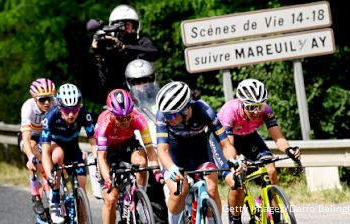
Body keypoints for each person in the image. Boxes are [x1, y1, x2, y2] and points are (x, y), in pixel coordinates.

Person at [155, 81, 244, 224]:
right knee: (179, 191)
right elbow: (162, 150)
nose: (166, 119)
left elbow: (225, 144)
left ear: (184, 110)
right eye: (165, 115)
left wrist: (233, 160)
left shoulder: (204, 111)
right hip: (174, 153)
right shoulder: (162, 116)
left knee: (212, 189)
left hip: (200, 150)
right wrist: (171, 168)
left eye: (171, 116)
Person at [217, 78, 302, 223]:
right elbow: (228, 146)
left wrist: (289, 149)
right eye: (251, 107)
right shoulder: (229, 112)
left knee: (271, 170)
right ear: (242, 103)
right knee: (237, 181)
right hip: (226, 142)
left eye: (259, 106)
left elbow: (278, 137)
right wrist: (237, 162)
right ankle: (235, 219)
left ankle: (275, 216)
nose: (256, 112)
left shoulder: (266, 110)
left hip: (249, 137)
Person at [94, 89, 160, 224]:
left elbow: (150, 150)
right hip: (109, 150)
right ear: (112, 114)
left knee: (141, 162)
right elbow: (101, 157)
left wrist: (157, 171)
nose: (124, 121)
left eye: (127, 117)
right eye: (120, 118)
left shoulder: (138, 118)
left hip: (128, 145)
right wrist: (107, 179)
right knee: (111, 198)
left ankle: (139, 197)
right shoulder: (104, 123)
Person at [40, 83, 97, 224]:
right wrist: (48, 175)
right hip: (54, 146)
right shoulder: (51, 117)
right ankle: (55, 199)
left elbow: (94, 142)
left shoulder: (85, 115)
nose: (71, 114)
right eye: (66, 110)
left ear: (80, 106)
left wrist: (98, 160)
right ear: (59, 107)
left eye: (75, 109)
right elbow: (46, 152)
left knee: (82, 185)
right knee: (58, 154)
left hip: (73, 148)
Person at [124, 59, 168, 223]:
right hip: (142, 152)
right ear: (129, 82)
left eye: (146, 80)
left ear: (153, 78)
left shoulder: (162, 99)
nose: (142, 85)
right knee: (154, 200)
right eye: (136, 82)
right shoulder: (128, 103)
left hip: (164, 148)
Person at [89, 4, 158, 98]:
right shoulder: (109, 47)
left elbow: (154, 53)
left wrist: (125, 47)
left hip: (145, 96)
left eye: (128, 25)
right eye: (120, 26)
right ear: (112, 27)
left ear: (135, 26)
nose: (125, 29)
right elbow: (104, 84)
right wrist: (99, 56)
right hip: (120, 99)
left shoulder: (141, 41)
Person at [18, 78, 56, 215]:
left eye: (49, 98)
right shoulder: (28, 107)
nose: (47, 103)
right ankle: (36, 196)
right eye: (42, 99)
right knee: (36, 157)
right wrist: (30, 157)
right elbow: (26, 138)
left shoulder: (55, 104)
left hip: (46, 135)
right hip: (31, 138)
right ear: (35, 99)